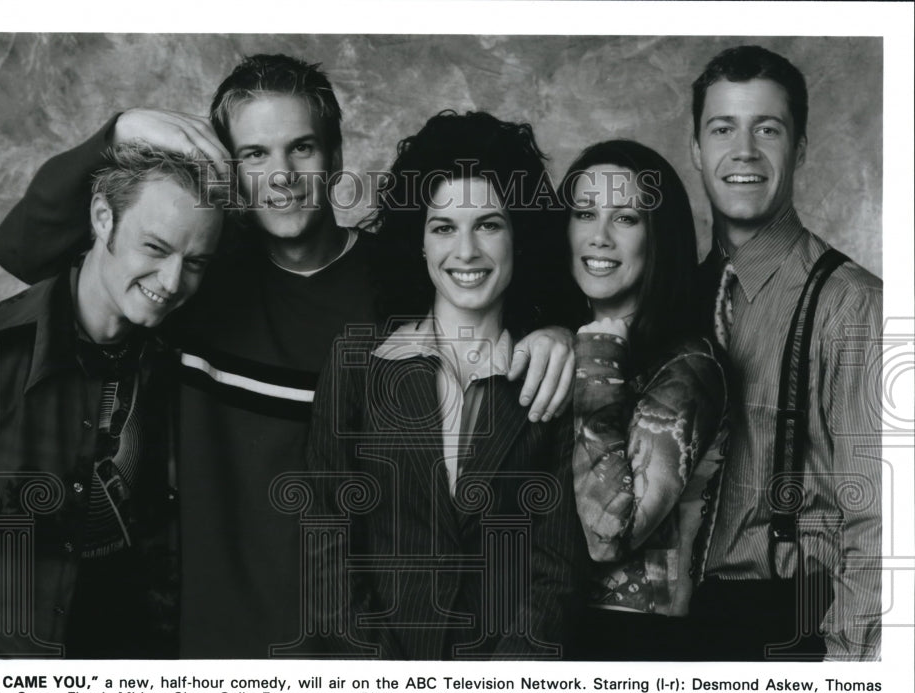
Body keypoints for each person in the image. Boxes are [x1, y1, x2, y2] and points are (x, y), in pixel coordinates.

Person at [0, 54, 575, 658]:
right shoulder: (193, 274)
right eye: (254, 154)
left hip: (358, 649)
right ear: (229, 172)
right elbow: (22, 250)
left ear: (337, 159)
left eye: (302, 149)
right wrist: (118, 132)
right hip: (199, 644)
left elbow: (492, 291)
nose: (283, 176)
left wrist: (558, 330)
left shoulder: (397, 287)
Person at [306, 111, 586, 660]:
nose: (466, 252)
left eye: (488, 224)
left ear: (518, 236)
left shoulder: (547, 374)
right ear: (419, 239)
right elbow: (327, 547)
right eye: (443, 227)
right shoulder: (357, 365)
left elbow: (554, 576)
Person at [0, 143, 224, 658]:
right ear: (102, 217)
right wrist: (115, 130)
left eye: (195, 263)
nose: (172, 282)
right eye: (156, 248)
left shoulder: (179, 360)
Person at [688, 45, 882, 660]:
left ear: (799, 148)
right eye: (723, 129)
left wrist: (845, 683)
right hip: (677, 629)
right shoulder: (679, 298)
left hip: (793, 627)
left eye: (766, 129)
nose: (743, 151)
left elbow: (879, 522)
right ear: (697, 148)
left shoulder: (853, 305)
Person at [558, 140, 728, 660]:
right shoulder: (563, 339)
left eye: (626, 218)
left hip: (636, 643)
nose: (600, 236)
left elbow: (608, 533)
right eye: (585, 213)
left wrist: (600, 363)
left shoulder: (689, 367)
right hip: (548, 625)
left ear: (659, 236)